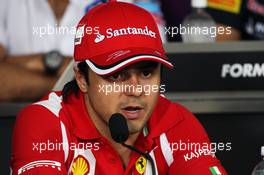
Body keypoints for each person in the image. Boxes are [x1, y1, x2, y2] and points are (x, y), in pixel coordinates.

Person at [10, 1, 228, 174]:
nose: (135, 90)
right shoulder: (45, 121)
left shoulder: (176, 121)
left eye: (146, 73)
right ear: (81, 79)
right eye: (116, 75)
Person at [0, 0, 91, 101]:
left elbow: (105, 80)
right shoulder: (6, 3)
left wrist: (17, 66)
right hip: (20, 114)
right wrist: (75, 84)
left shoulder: (104, 4)